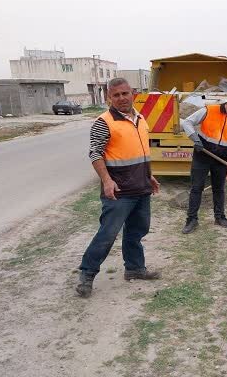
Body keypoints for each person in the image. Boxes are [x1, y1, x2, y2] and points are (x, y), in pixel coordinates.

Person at [76, 78, 161, 298]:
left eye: (125, 93)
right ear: (108, 98)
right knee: (107, 234)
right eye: (116, 95)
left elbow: (141, 152)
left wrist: (149, 176)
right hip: (119, 191)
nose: (122, 98)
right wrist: (106, 180)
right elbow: (95, 153)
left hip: (141, 187)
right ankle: (87, 274)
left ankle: (134, 268)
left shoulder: (141, 119)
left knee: (136, 232)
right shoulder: (104, 122)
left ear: (132, 93)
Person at [180, 91, 227, 234]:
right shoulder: (209, 110)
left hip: (221, 157)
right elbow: (187, 122)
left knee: (219, 189)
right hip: (203, 154)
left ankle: (220, 217)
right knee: (197, 188)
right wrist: (195, 139)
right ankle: (191, 220)